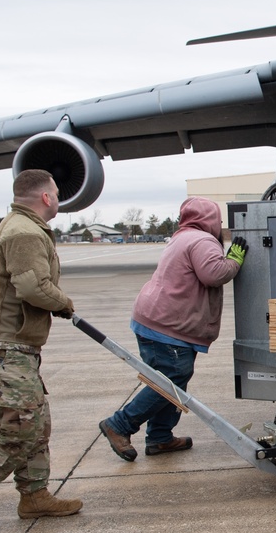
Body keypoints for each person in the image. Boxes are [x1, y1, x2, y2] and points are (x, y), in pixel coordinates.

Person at [0, 169, 81, 529]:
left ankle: (34, 495)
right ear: (45, 197)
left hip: (14, 345)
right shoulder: (23, 232)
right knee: (21, 427)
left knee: (38, 425)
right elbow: (33, 287)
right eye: (56, 192)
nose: (57, 198)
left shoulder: (23, 227)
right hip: (0, 348)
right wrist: (64, 303)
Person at [98, 196, 247, 461]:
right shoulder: (201, 240)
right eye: (218, 220)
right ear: (208, 220)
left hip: (155, 321)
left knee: (168, 379)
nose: (220, 225)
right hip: (167, 326)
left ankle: (160, 437)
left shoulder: (182, 236)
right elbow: (214, 273)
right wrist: (235, 258)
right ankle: (120, 424)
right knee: (171, 381)